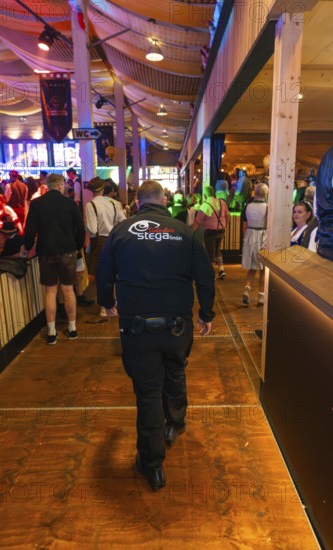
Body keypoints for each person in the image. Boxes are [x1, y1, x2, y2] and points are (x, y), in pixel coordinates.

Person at [96, 180, 215, 491]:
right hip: (177, 325)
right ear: (164, 200)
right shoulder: (185, 232)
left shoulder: (122, 232)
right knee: (175, 371)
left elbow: (104, 273)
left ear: (137, 203)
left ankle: (152, 465)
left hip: (137, 327)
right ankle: (175, 424)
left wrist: (107, 304)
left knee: (148, 393)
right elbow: (205, 276)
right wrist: (206, 314)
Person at [21, 173, 86, 345]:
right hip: (67, 251)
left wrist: (27, 247)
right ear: (60, 185)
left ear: (48, 186)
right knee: (68, 291)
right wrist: (77, 246)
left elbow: (29, 230)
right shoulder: (70, 204)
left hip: (46, 251)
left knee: (50, 292)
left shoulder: (37, 204)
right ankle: (72, 329)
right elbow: (80, 228)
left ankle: (51, 332)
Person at [84, 177, 126, 315]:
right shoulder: (114, 203)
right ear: (103, 189)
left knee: (102, 275)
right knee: (117, 273)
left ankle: (105, 308)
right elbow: (123, 221)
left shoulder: (90, 205)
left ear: (91, 191)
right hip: (116, 239)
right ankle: (117, 301)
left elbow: (91, 228)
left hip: (100, 241)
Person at [192, 185, 230, 279]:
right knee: (217, 250)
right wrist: (225, 225)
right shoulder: (222, 202)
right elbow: (228, 215)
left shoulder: (205, 205)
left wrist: (190, 232)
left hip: (210, 232)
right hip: (221, 230)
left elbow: (197, 222)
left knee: (210, 253)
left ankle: (210, 274)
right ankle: (221, 270)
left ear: (205, 194)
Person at [241, 183, 269, 306]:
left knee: (252, 266)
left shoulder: (248, 206)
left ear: (255, 192)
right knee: (263, 268)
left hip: (250, 234)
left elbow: (244, 225)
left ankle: (247, 288)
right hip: (262, 235)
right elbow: (269, 223)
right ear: (266, 194)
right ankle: (261, 297)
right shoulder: (268, 207)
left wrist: (245, 238)